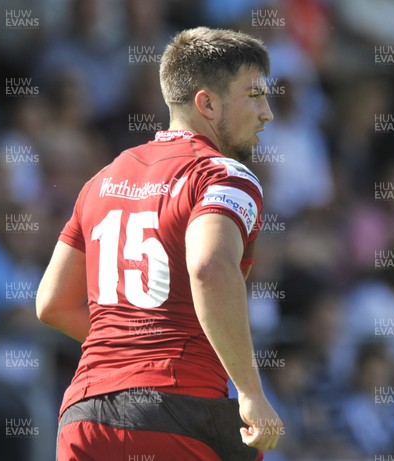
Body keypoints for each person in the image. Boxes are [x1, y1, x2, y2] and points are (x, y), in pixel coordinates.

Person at [36, 27, 283, 461]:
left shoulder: (103, 179)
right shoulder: (223, 175)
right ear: (207, 103)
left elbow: (52, 303)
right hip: (177, 411)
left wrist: (127, 349)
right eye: (254, 95)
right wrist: (250, 393)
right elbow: (209, 267)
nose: (267, 113)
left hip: (84, 416)